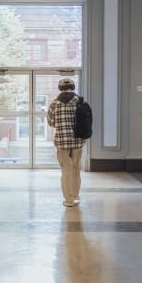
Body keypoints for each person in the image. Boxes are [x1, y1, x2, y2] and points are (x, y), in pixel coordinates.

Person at [47, 77, 86, 206]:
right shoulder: (80, 101)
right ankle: (76, 195)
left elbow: (51, 123)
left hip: (62, 141)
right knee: (76, 168)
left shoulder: (54, 103)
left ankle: (69, 200)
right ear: (73, 87)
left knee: (66, 170)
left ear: (60, 88)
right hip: (78, 141)